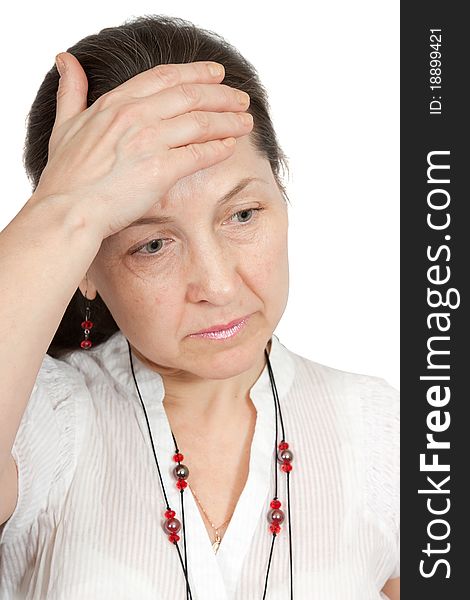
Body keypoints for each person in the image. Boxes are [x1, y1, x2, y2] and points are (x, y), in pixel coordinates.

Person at [0, 14, 399, 600]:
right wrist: (65, 209)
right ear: (85, 263)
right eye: (153, 244)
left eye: (242, 215)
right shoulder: (38, 426)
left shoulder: (382, 431)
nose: (215, 283)